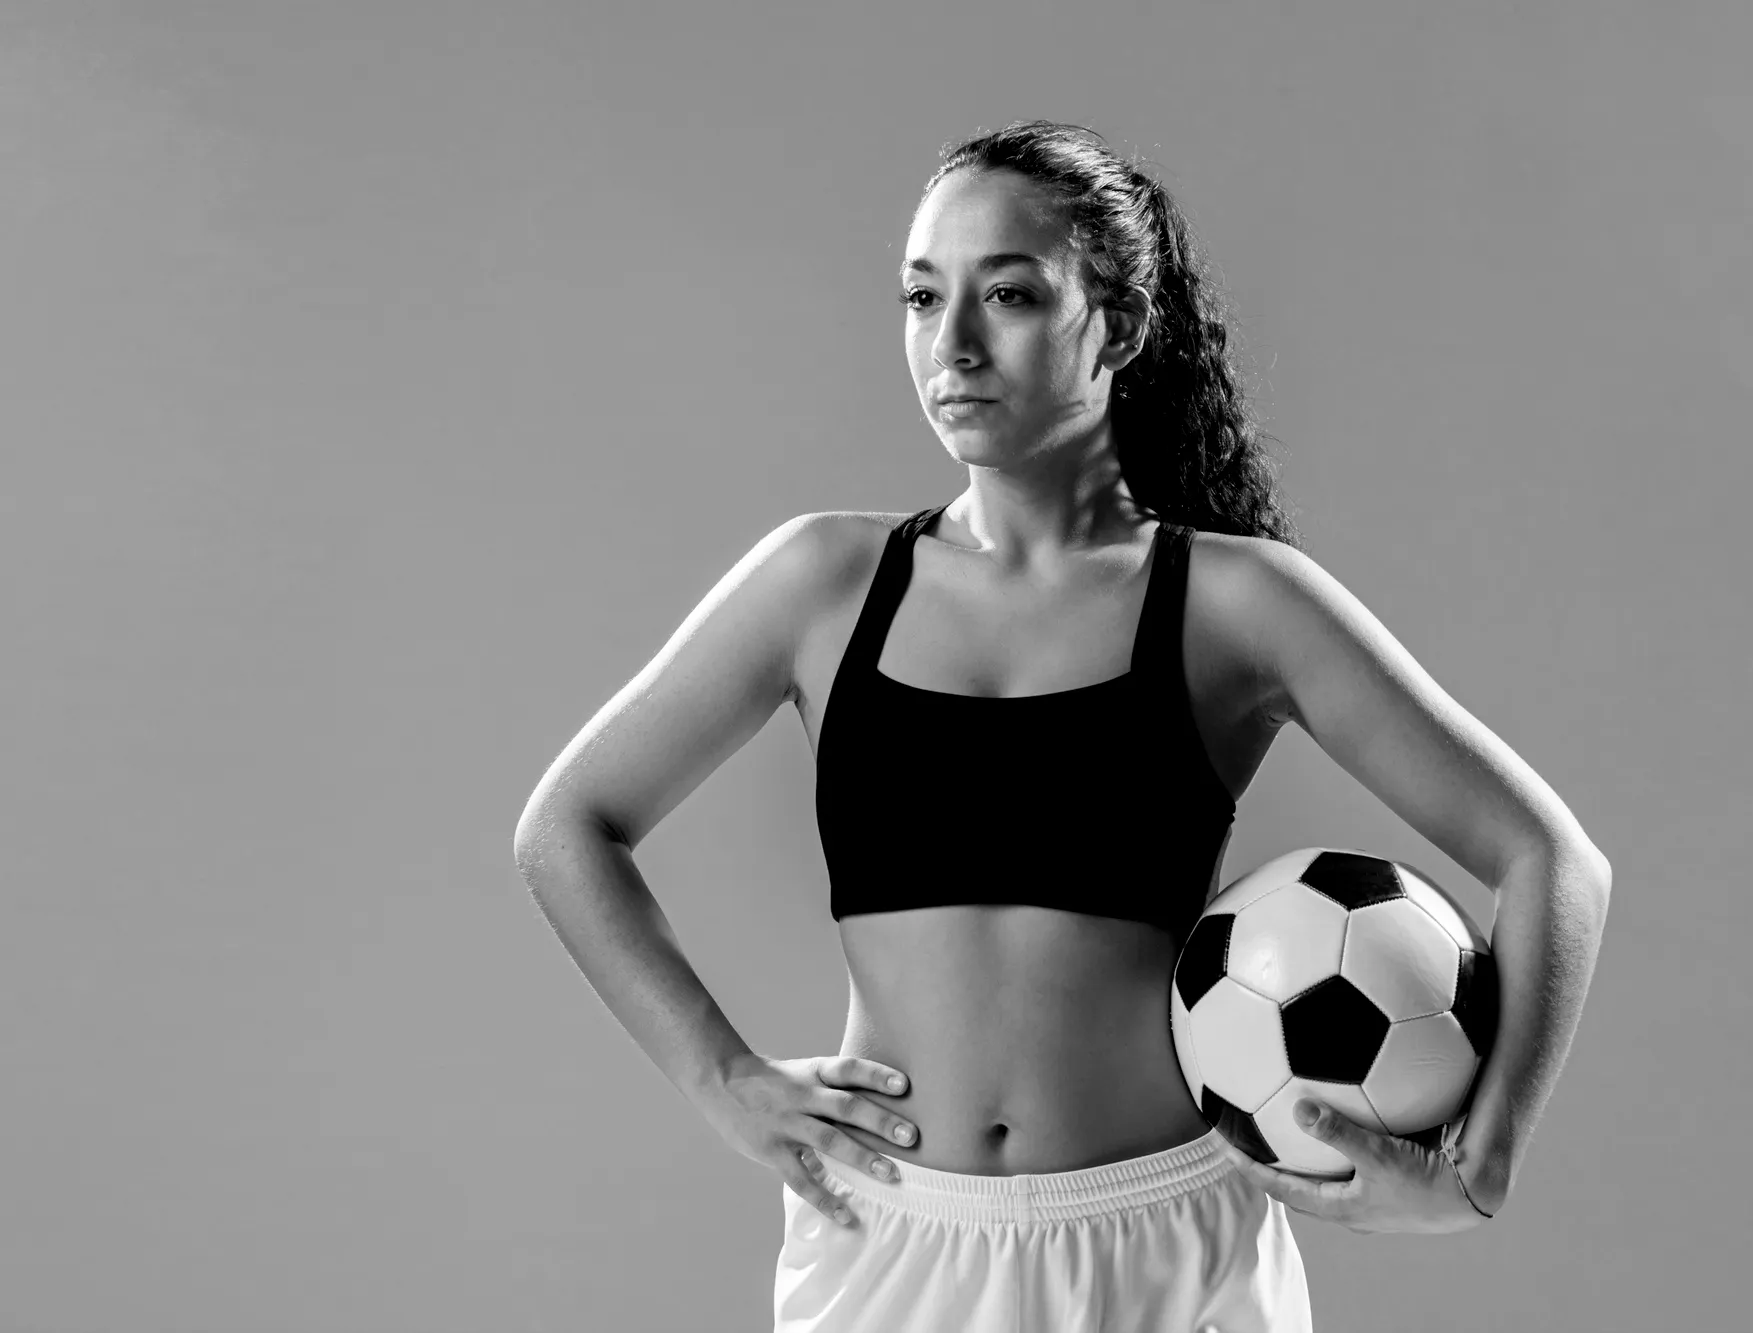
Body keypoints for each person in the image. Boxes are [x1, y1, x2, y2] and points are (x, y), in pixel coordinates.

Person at [512, 120, 1613, 1332]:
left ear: (1119, 326)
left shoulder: (1234, 604)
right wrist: (717, 1075)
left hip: (1163, 1247)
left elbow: (1549, 858)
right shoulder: (822, 583)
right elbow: (567, 827)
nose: (953, 342)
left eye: (1010, 294)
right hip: (888, 1246)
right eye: (921, 297)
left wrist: (1477, 1168)